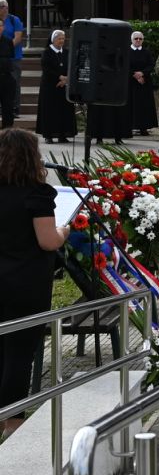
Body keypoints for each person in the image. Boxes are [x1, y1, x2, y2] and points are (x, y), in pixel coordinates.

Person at [0, 129, 68, 437]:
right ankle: (13, 420)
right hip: (25, 283)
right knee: (20, 353)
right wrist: (65, 231)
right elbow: (47, 241)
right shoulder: (36, 194)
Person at [36, 29, 75, 144]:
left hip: (63, 86)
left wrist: (66, 79)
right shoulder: (47, 52)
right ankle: (48, 135)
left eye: (63, 39)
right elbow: (46, 68)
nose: (62, 41)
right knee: (50, 111)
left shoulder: (67, 52)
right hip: (49, 86)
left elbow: (72, 66)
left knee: (63, 111)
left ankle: (62, 135)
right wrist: (59, 77)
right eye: (59, 39)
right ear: (53, 40)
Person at [124, 29, 156, 136]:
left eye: (140, 39)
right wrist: (134, 75)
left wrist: (142, 73)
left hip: (144, 83)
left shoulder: (147, 52)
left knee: (144, 106)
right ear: (131, 40)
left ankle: (143, 128)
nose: (138, 40)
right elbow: (124, 65)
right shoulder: (126, 51)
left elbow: (151, 65)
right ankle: (129, 127)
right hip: (130, 83)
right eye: (136, 38)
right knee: (130, 105)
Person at [0, 0, 19, 130]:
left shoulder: (7, 41)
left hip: (6, 76)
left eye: (1, 26)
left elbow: (11, 55)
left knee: (8, 106)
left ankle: (7, 131)